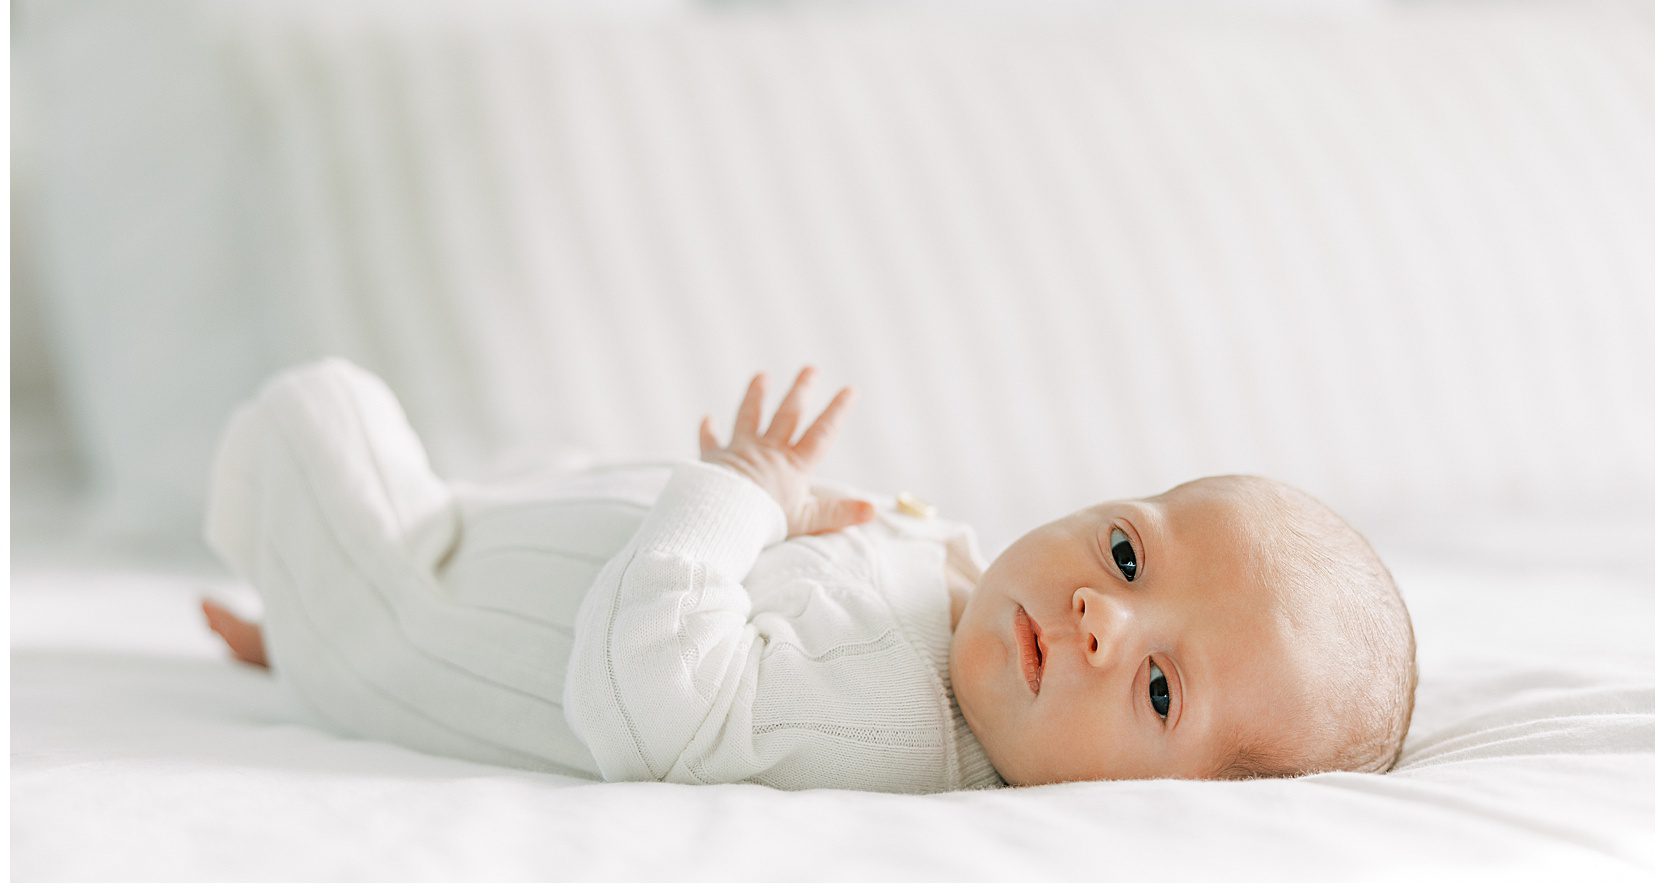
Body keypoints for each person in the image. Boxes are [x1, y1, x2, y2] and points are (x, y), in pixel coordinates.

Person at [201, 358, 1416, 790]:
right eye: (1128, 550)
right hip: (507, 538)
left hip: (427, 603)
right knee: (547, 458)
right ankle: (302, 617)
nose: (1105, 614)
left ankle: (307, 611)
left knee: (325, 406)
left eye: (1160, 690)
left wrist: (737, 494)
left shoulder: (884, 726)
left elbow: (646, 698)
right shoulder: (957, 604)